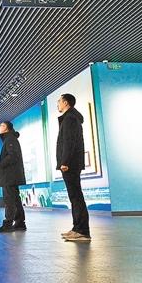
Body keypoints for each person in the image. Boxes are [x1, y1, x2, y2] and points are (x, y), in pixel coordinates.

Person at [55, 94, 90, 242]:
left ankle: (82, 231)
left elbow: (69, 142)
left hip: (70, 164)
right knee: (74, 197)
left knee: (76, 197)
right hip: (71, 163)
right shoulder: (70, 118)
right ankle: (77, 228)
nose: (57, 104)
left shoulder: (70, 118)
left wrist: (65, 162)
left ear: (65, 103)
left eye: (59, 101)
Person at [0, 121, 27, 232]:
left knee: (9, 200)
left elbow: (13, 155)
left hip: (9, 176)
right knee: (15, 199)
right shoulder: (10, 139)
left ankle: (8, 223)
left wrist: (2, 164)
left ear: (7, 129)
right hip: (12, 175)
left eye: (2, 125)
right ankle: (20, 223)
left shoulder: (9, 139)